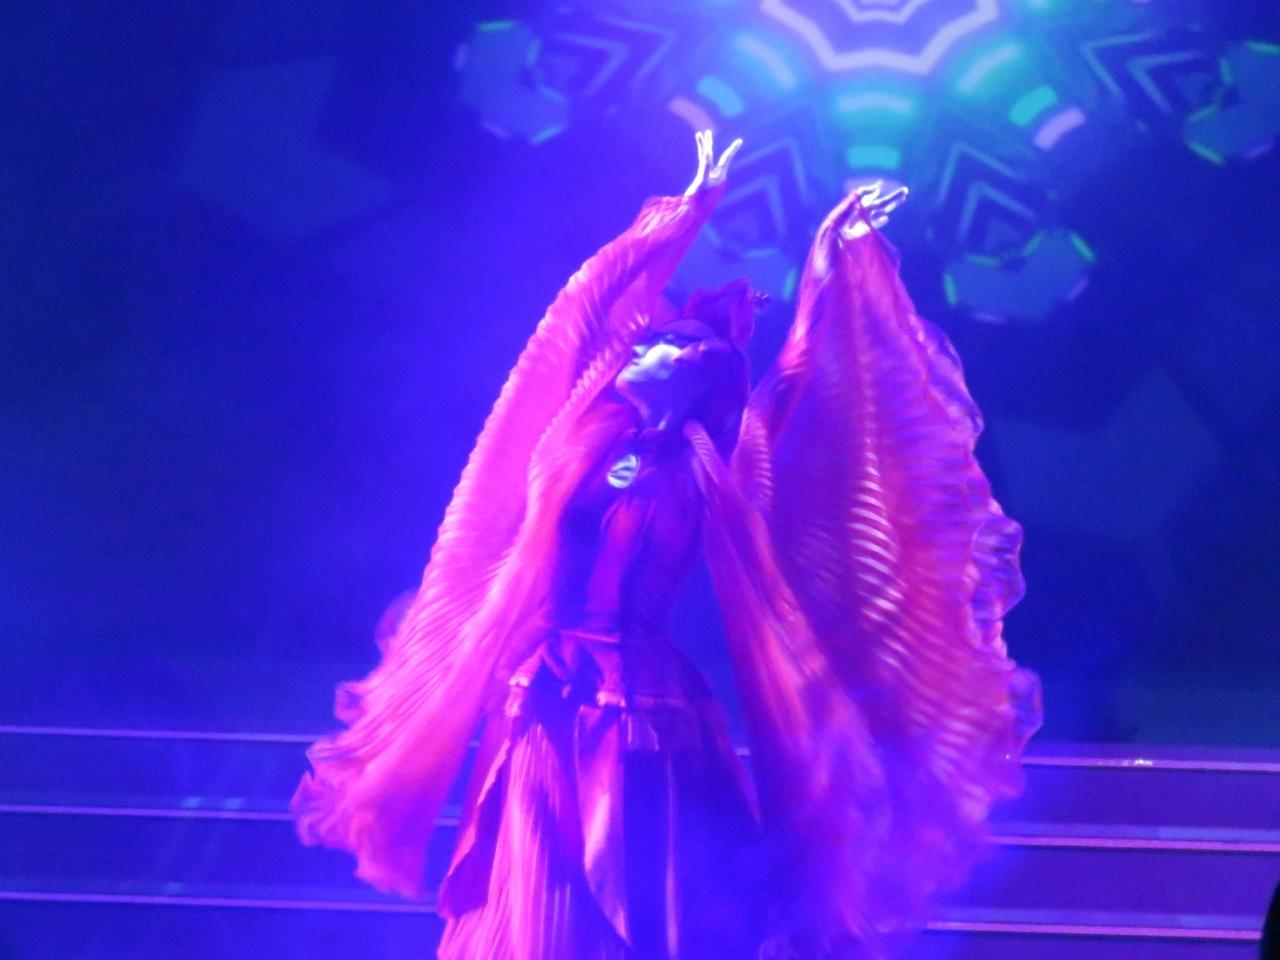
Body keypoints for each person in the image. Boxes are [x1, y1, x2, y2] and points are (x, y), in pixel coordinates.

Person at [292, 131, 1042, 959]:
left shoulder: (716, 468)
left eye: (669, 343)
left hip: (643, 704)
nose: (645, 344)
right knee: (538, 885)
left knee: (641, 886)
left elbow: (795, 382)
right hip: (545, 690)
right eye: (649, 340)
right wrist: (684, 213)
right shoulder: (576, 435)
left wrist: (832, 256)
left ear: (698, 372)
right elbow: (579, 310)